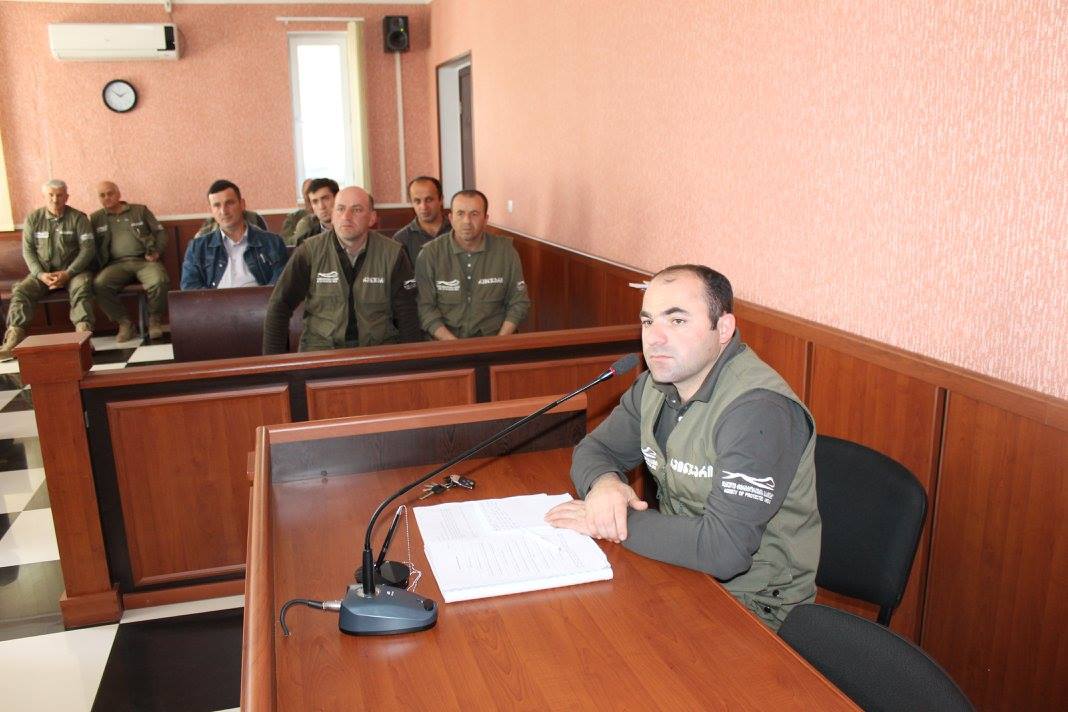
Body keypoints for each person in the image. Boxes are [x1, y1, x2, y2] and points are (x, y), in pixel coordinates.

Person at [544, 265, 820, 630]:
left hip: (755, 609)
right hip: (682, 572)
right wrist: (605, 485)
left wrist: (614, 520)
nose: (654, 339)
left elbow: (725, 551)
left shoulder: (759, 411)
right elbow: (594, 449)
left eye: (677, 321)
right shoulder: (655, 386)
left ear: (723, 329)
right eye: (648, 321)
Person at [262, 186, 420, 354]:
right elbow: (279, 305)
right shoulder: (309, 251)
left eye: (356, 210)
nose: (346, 217)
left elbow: (407, 312)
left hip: (377, 352)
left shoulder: (393, 253)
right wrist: (273, 362)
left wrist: (410, 362)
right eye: (340, 209)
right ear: (332, 215)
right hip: (321, 353)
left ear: (372, 218)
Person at [415, 190, 530, 340]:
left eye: (474, 214)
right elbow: (425, 308)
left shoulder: (506, 252)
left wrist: (498, 342)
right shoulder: (429, 254)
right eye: (460, 213)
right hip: (445, 343)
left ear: (486, 219)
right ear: (451, 218)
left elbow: (519, 302)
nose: (467, 221)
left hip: (495, 340)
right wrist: (454, 345)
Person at [0, 180, 96, 357]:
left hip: (74, 272)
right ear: (44, 197)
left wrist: (68, 273)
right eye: (51, 195)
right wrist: (40, 274)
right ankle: (13, 338)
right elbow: (28, 251)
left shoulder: (78, 218)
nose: (55, 199)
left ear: (66, 197)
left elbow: (88, 250)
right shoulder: (33, 219)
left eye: (59, 195)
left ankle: (84, 338)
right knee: (21, 290)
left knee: (82, 288)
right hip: (43, 273)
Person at [90, 181, 169, 341]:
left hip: (144, 261)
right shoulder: (96, 218)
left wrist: (156, 252)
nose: (107, 197)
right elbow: (89, 245)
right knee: (99, 285)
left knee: (159, 280)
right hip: (115, 265)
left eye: (110, 193)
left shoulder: (140, 211)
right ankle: (125, 323)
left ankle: (154, 320)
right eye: (102, 195)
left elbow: (160, 233)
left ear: (119, 194)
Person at [180, 180, 287, 289]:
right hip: (214, 300)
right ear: (211, 210)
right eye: (217, 205)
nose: (224, 211)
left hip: (260, 300)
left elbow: (281, 284)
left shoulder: (273, 243)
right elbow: (190, 287)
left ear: (242, 204)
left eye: (229, 203)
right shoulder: (197, 248)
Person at [393, 176, 451, 267]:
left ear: (441, 200)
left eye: (429, 200)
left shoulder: (457, 230)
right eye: (417, 201)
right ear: (411, 203)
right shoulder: (401, 239)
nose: (423, 207)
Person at [288, 178, 339, 246]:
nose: (321, 206)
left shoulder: (351, 232)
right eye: (315, 202)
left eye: (325, 199)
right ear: (311, 206)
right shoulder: (305, 240)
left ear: (338, 198)